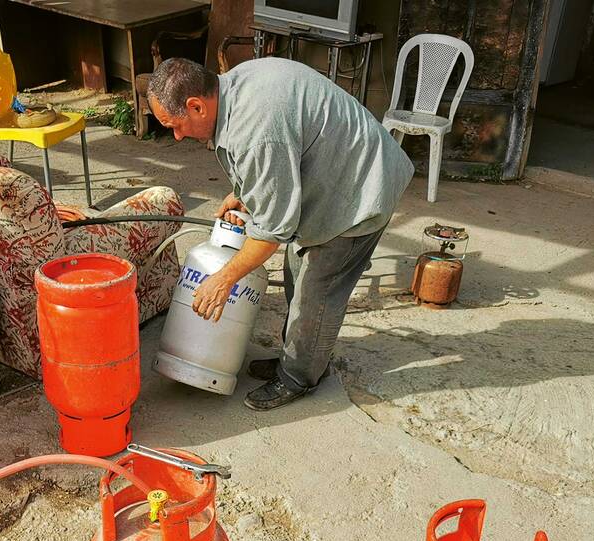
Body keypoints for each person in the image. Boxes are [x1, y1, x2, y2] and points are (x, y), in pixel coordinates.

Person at [147, 57, 413, 411]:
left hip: (361, 192)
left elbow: (271, 232)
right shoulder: (235, 86)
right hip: (338, 169)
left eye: (175, 125)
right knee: (296, 271)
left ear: (196, 105)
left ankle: (299, 377)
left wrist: (223, 279)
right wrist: (245, 192)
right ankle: (299, 355)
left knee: (317, 291)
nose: (177, 136)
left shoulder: (256, 133)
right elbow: (285, 149)